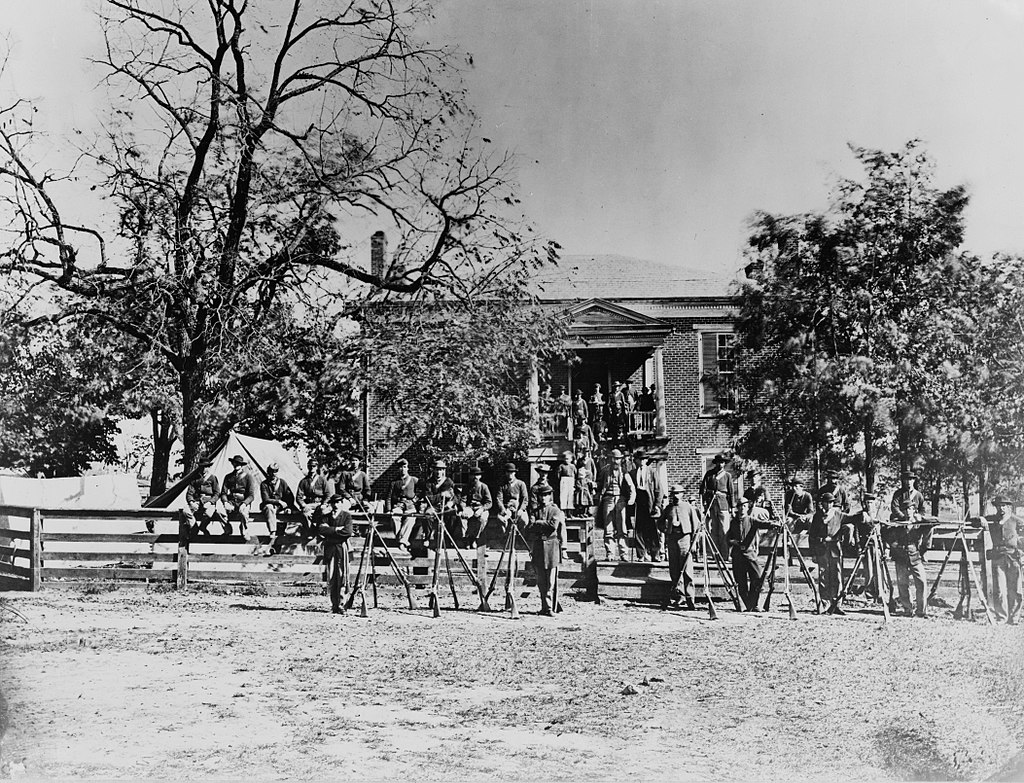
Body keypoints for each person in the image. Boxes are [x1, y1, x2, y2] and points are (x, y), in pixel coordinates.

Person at [972, 496, 1023, 624]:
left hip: (1013, 557)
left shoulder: (1016, 521)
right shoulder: (992, 520)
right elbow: (972, 522)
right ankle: (1002, 617)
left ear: (1009, 507)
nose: (1002, 508)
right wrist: (980, 519)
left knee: (1015, 589)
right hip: (998, 557)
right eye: (999, 506)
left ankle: (1015, 617)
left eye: (1004, 505)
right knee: (1000, 588)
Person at [885, 477, 930, 618]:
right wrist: (892, 545)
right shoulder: (897, 524)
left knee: (921, 581)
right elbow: (886, 533)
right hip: (900, 555)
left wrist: (923, 549)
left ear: (914, 510)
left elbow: (932, 525)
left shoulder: (918, 524)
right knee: (902, 583)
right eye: (905, 509)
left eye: (911, 509)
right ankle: (907, 609)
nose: (908, 511)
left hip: (914, 555)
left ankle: (921, 611)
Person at [526, 484, 564, 616]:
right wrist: (539, 523)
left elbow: (553, 526)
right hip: (538, 546)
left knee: (551, 580)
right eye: (541, 495)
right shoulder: (535, 511)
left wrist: (539, 522)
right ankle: (545, 606)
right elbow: (529, 527)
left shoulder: (555, 510)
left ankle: (551, 606)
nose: (544, 498)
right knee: (540, 579)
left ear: (550, 496)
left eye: (546, 495)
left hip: (551, 546)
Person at [661, 483, 701, 609]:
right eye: (674, 494)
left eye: (678, 493)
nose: (676, 496)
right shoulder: (668, 508)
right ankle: (679, 597)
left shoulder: (688, 507)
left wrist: (694, 543)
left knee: (687, 570)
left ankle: (690, 598)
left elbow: (696, 526)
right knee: (674, 569)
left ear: (683, 494)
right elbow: (660, 522)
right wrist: (666, 529)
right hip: (672, 539)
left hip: (685, 539)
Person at [729, 496, 769, 611]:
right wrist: (733, 541)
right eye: (740, 506)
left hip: (750, 554)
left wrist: (775, 524)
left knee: (757, 577)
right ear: (737, 508)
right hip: (737, 556)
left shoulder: (751, 520)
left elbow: (764, 524)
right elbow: (728, 538)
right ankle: (748, 605)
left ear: (747, 508)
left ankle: (754, 603)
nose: (742, 508)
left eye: (744, 506)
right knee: (740, 582)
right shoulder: (733, 522)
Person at [596, 448, 636, 561]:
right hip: (608, 499)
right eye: (614, 458)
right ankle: (610, 553)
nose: (616, 461)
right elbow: (599, 485)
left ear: (621, 460)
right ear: (610, 459)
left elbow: (631, 486)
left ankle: (623, 553)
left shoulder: (624, 471)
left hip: (620, 500)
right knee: (608, 527)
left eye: (618, 459)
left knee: (621, 527)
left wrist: (632, 498)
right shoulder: (604, 471)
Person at [318, 493, 355, 615]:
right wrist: (336, 529)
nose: (336, 505)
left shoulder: (346, 516)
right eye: (334, 503)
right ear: (331, 504)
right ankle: (334, 604)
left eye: (339, 502)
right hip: (330, 549)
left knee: (343, 576)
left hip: (342, 548)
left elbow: (348, 531)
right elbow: (321, 530)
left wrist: (331, 532)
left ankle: (342, 604)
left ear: (342, 503)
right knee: (332, 576)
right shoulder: (326, 517)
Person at [809, 492, 844, 610]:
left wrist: (863, 514)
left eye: (831, 503)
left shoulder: (838, 515)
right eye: (826, 502)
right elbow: (812, 536)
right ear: (822, 504)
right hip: (821, 549)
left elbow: (851, 519)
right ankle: (825, 603)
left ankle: (837, 603)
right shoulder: (817, 516)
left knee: (837, 575)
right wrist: (813, 553)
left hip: (834, 549)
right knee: (823, 575)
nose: (828, 505)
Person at [699, 454, 735, 562]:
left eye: (723, 462)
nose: (721, 464)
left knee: (724, 530)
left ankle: (725, 554)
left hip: (723, 504)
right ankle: (715, 554)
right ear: (716, 463)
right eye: (719, 462)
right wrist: (704, 507)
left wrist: (732, 507)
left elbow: (731, 492)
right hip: (711, 504)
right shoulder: (709, 474)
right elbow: (702, 491)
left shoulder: (727, 475)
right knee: (713, 529)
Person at [630, 449, 664, 562]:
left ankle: (655, 554)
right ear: (637, 461)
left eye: (644, 459)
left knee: (652, 528)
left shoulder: (652, 472)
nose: (642, 461)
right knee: (639, 529)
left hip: (650, 501)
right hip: (639, 501)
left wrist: (657, 505)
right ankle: (641, 554)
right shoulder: (633, 473)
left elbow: (659, 489)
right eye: (640, 459)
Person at [259, 462, 295, 555]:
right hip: (270, 507)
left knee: (281, 529)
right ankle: (272, 531)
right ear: (268, 472)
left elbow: (289, 496)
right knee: (269, 507)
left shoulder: (282, 482)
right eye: (271, 471)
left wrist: (289, 507)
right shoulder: (264, 484)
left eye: (275, 471)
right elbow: (266, 499)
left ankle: (275, 548)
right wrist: (278, 501)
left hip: (280, 509)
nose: (273, 474)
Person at [220, 455, 259, 538]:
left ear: (241, 465)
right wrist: (226, 502)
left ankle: (244, 530)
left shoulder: (248, 477)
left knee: (243, 512)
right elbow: (223, 493)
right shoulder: (228, 477)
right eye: (235, 463)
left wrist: (245, 503)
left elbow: (251, 495)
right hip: (231, 502)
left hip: (243, 501)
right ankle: (227, 528)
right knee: (219, 511)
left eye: (238, 463)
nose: (236, 465)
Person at [184, 460, 226, 536]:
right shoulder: (194, 478)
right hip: (197, 501)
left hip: (209, 502)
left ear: (209, 467)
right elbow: (189, 493)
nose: (203, 469)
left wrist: (210, 502)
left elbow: (217, 493)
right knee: (186, 510)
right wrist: (191, 502)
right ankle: (194, 528)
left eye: (206, 467)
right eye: (202, 467)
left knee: (209, 513)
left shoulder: (213, 478)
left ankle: (203, 527)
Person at [389, 458, 421, 551]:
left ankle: (402, 541)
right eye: (400, 467)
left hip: (410, 505)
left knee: (411, 518)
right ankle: (402, 540)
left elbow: (423, 491)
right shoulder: (394, 482)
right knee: (395, 517)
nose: (402, 469)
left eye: (404, 467)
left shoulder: (414, 480)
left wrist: (416, 499)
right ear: (398, 469)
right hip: (398, 505)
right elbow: (388, 497)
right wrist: (388, 509)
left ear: (408, 468)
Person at [424, 459, 457, 546]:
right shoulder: (429, 483)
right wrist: (442, 495)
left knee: (453, 515)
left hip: (446, 506)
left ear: (443, 471)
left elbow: (456, 496)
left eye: (441, 469)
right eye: (437, 469)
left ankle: (450, 537)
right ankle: (427, 538)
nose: (439, 472)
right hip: (434, 506)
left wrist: (452, 502)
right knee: (427, 514)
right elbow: (429, 498)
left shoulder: (449, 481)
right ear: (433, 470)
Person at [297, 459, 333, 535]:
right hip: (309, 504)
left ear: (316, 467)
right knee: (304, 514)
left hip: (319, 503)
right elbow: (299, 497)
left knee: (323, 513)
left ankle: (318, 531)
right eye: (310, 466)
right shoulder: (304, 481)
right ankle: (310, 531)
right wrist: (304, 505)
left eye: (314, 466)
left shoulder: (322, 480)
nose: (312, 468)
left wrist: (324, 503)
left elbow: (328, 494)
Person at [459, 465, 492, 549]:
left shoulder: (484, 487)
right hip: (470, 507)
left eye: (477, 475)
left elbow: (489, 502)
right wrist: (464, 509)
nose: (475, 477)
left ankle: (475, 538)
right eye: (473, 475)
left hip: (480, 507)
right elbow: (463, 500)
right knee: (463, 517)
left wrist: (482, 509)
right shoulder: (467, 487)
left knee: (483, 518)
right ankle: (466, 538)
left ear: (480, 476)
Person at [786, 477, 815, 563]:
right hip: (793, 518)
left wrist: (805, 517)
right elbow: (788, 511)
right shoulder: (789, 495)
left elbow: (811, 512)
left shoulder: (807, 496)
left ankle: (812, 548)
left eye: (796, 486)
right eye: (793, 487)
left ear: (801, 487)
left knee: (811, 521)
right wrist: (799, 516)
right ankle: (788, 548)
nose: (794, 489)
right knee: (788, 521)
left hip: (803, 519)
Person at [496, 463, 530, 532]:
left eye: (512, 472)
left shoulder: (521, 484)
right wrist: (503, 510)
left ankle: (519, 536)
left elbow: (525, 498)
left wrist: (521, 509)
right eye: (508, 472)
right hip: (506, 509)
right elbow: (499, 499)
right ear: (505, 473)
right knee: (500, 519)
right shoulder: (502, 485)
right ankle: (505, 537)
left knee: (524, 520)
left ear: (515, 473)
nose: (510, 474)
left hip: (518, 509)